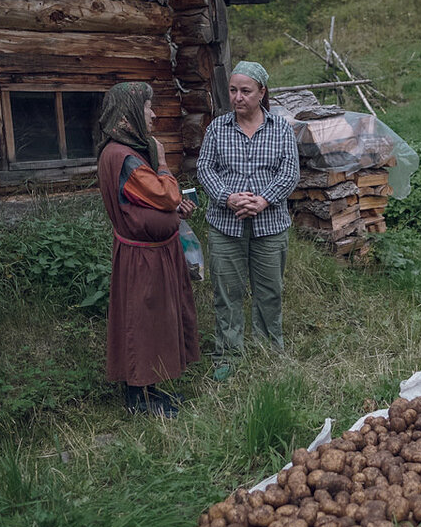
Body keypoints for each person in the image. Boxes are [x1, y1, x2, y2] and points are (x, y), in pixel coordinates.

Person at [95, 82, 199, 417]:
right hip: (142, 258)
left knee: (152, 322)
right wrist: (166, 164)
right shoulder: (122, 158)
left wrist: (172, 210)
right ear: (128, 115)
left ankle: (149, 392)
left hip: (152, 253)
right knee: (141, 322)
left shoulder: (129, 151)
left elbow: (152, 201)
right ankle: (138, 400)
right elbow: (165, 194)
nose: (153, 114)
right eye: (147, 108)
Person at [197, 61, 299, 379]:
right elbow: (205, 168)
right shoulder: (217, 128)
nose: (238, 97)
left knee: (269, 291)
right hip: (225, 225)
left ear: (261, 92)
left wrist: (263, 200)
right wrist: (228, 198)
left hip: (270, 226)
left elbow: (290, 172)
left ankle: (268, 353)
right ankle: (228, 357)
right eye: (233, 90)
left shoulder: (280, 129)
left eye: (245, 91)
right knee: (226, 292)